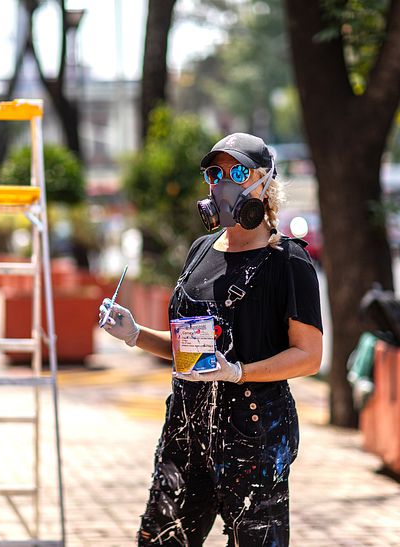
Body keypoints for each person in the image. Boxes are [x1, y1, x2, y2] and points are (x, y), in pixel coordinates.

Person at [99, 133, 323, 546]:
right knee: (161, 540)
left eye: (238, 173)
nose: (223, 184)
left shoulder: (287, 261)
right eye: (214, 174)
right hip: (186, 435)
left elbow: (309, 356)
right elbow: (192, 353)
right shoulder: (201, 250)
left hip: (253, 439)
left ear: (264, 182)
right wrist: (135, 334)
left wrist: (238, 372)